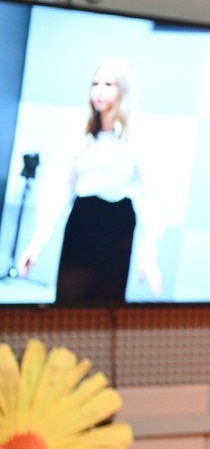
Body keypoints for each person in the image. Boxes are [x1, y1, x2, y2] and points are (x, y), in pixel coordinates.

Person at [17, 57, 162, 304]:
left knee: (107, 302)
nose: (100, 90)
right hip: (83, 219)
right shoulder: (79, 134)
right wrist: (37, 242)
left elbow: (151, 197)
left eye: (108, 84)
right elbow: (59, 189)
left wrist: (148, 252)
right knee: (69, 297)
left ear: (122, 91)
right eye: (95, 83)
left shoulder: (136, 137)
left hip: (118, 224)